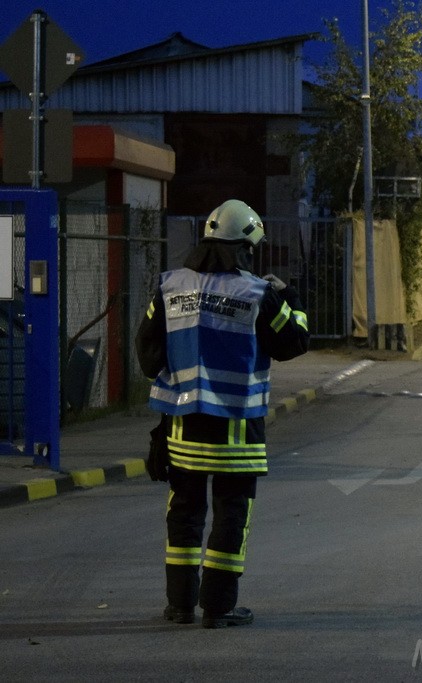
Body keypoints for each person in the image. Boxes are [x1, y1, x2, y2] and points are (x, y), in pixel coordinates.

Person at [135, 199, 310, 629]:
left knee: (183, 515)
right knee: (232, 516)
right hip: (236, 434)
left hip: (182, 430)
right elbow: (295, 341)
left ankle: (180, 606)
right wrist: (289, 296)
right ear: (246, 248)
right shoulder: (257, 295)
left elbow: (146, 355)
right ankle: (219, 607)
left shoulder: (170, 287)